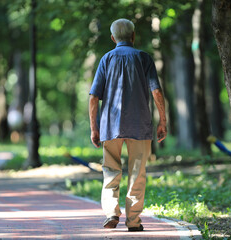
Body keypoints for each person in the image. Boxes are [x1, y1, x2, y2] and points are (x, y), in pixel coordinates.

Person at [89, 18, 167, 232]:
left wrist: (94, 128)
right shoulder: (144, 58)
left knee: (110, 170)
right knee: (137, 172)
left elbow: (93, 97)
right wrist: (163, 120)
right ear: (133, 36)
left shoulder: (106, 59)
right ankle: (133, 221)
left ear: (113, 38)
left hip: (110, 125)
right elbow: (157, 91)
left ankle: (111, 212)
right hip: (139, 125)